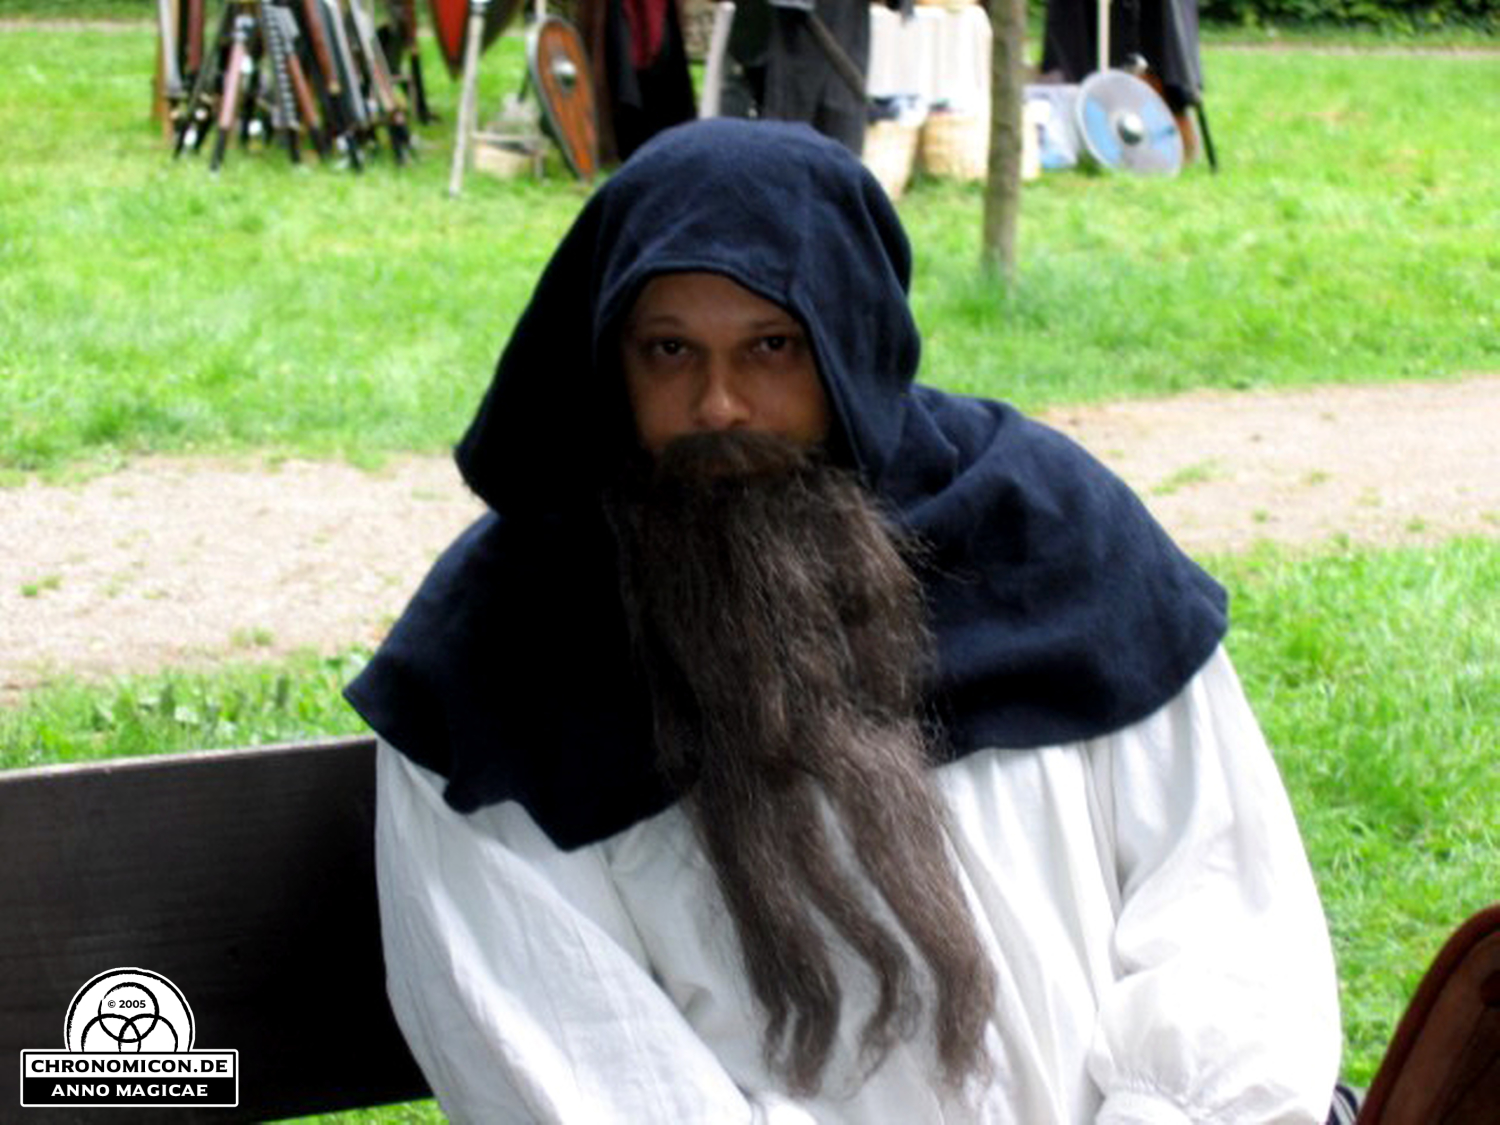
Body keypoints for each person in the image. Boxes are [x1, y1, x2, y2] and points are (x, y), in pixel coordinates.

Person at [345, 117, 1344, 1122]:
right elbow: (573, 1069)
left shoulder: (1046, 529)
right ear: (611, 362)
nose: (719, 403)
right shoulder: (499, 661)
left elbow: (1227, 919)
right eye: (670, 350)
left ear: (849, 344)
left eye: (772, 346)